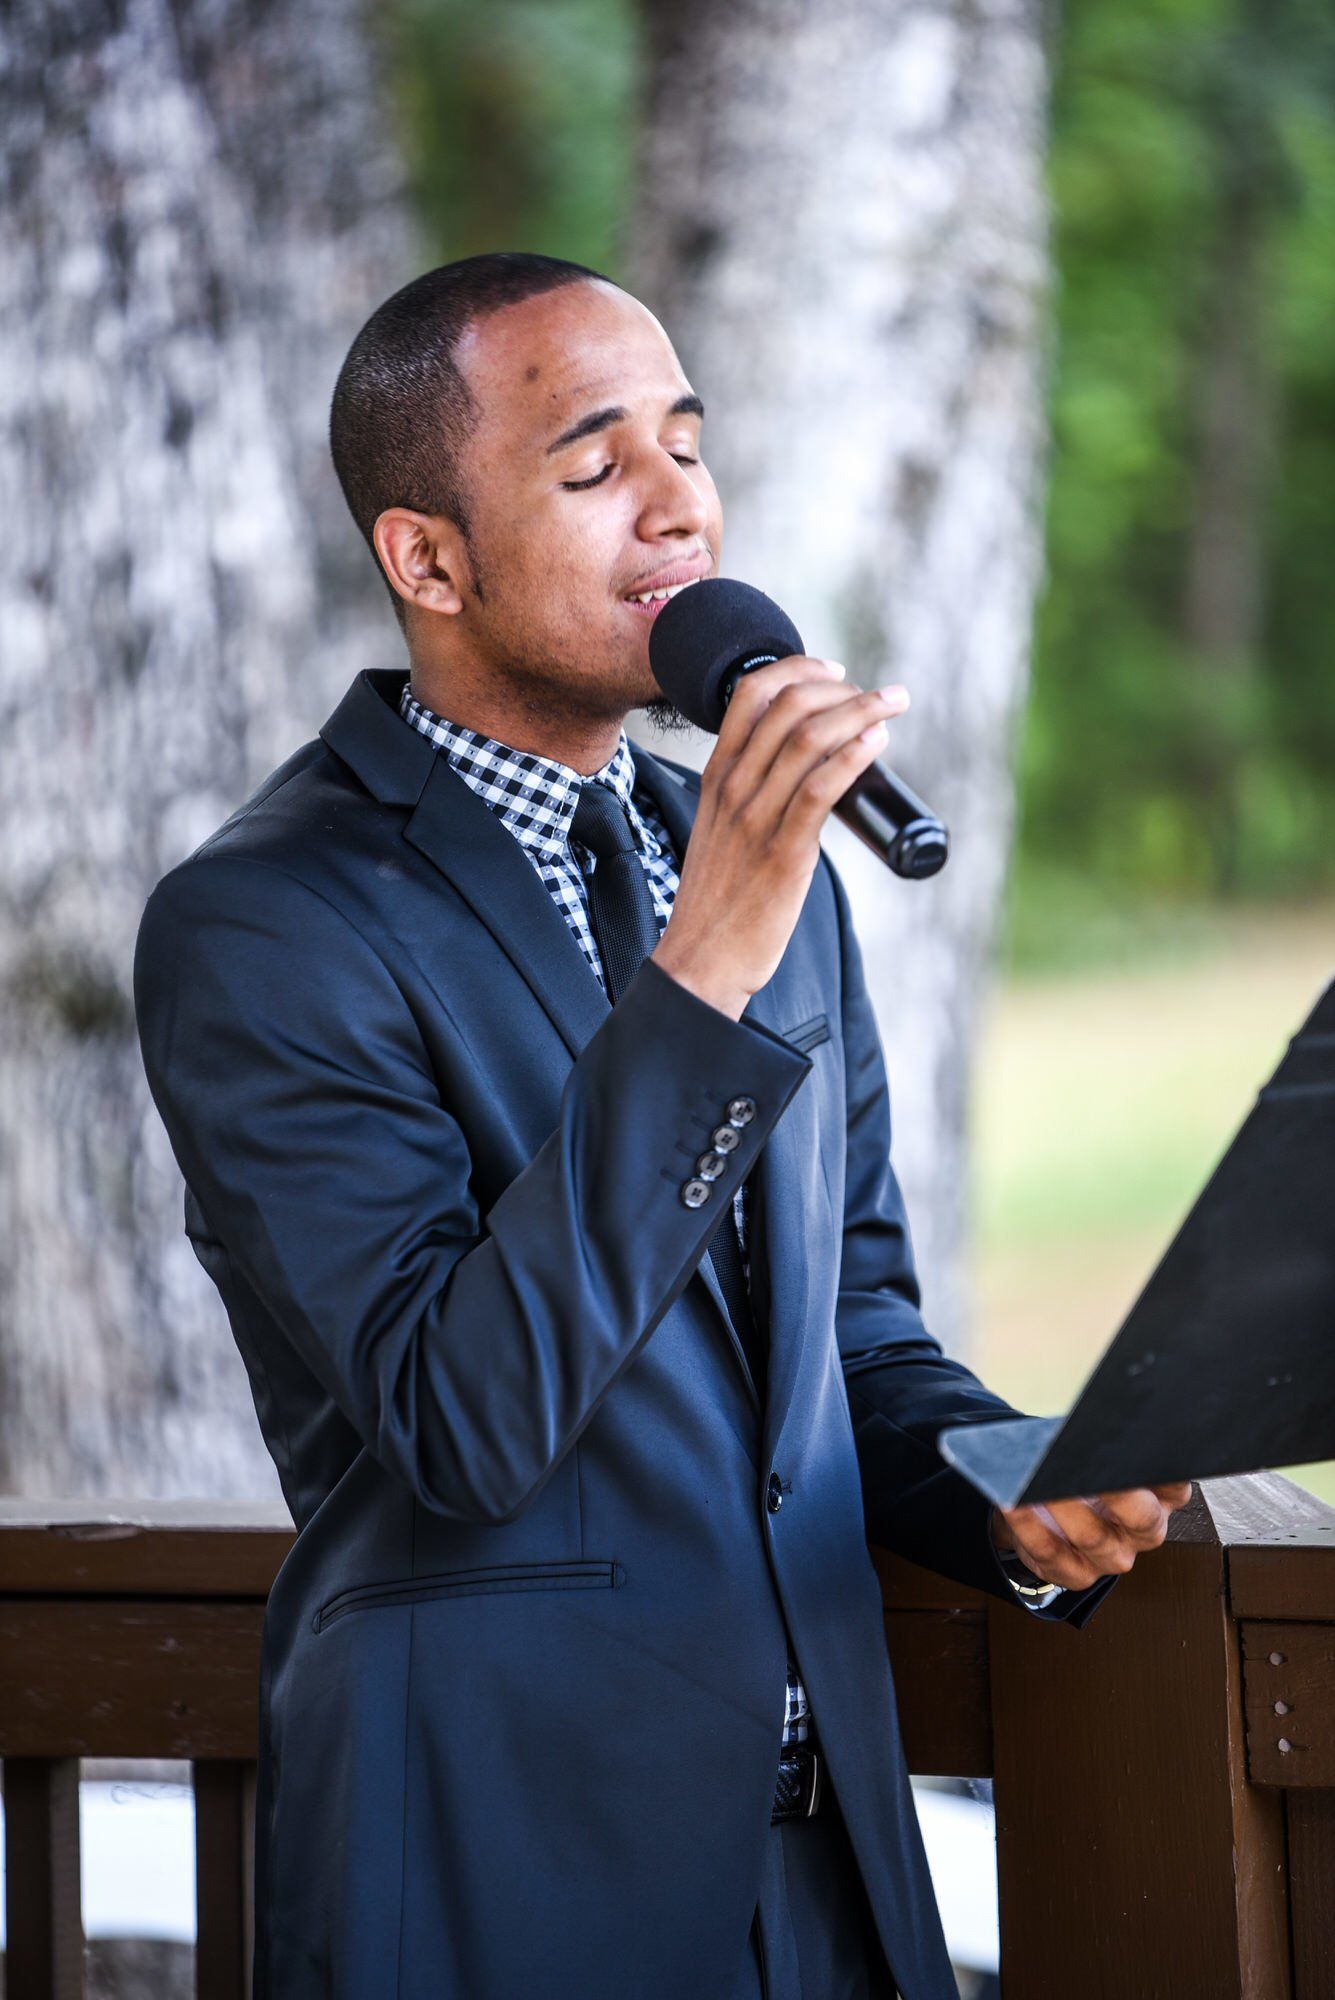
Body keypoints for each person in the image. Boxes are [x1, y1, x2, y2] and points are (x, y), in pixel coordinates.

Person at [133, 251, 1192, 2000]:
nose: (677, 502)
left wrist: (1015, 1494)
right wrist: (709, 965)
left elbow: (846, 1342)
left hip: (828, 1858)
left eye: (688, 446)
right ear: (428, 559)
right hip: (493, 1869)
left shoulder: (754, 867)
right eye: (594, 463)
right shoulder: (268, 921)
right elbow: (455, 1420)